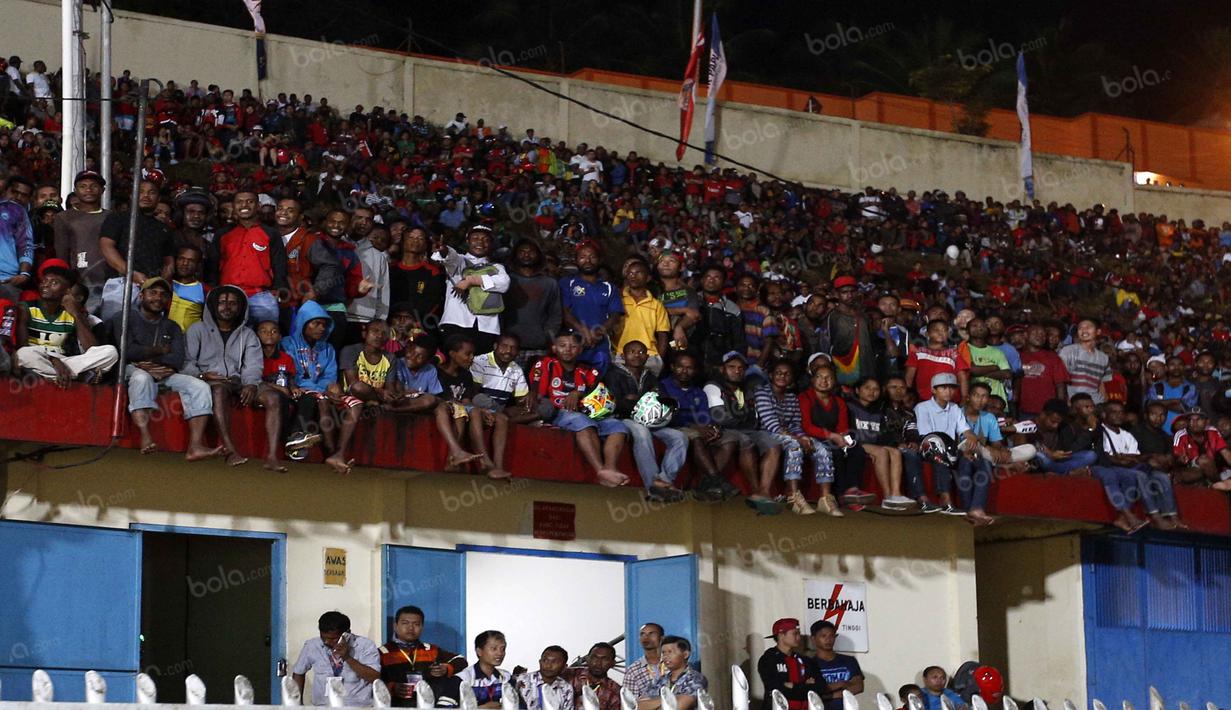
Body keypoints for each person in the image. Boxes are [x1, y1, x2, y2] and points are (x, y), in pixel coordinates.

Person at [112, 277, 221, 461]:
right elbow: (126, 351)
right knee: (141, 378)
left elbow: (176, 359)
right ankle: (145, 436)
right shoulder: (124, 318)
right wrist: (157, 354)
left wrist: (151, 361)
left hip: (163, 372)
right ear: (141, 295)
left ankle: (195, 446)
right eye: (153, 293)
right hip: (130, 369)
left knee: (199, 386)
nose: (158, 298)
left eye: (163, 295)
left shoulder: (172, 326)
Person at [528, 330, 630, 487]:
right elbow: (539, 396)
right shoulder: (546, 364)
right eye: (562, 345)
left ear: (580, 350)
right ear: (554, 348)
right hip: (559, 412)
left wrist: (578, 392)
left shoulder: (587, 370)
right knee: (582, 421)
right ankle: (600, 470)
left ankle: (610, 468)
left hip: (589, 412)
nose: (568, 349)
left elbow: (599, 395)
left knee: (618, 426)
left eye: (573, 346)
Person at [182, 285, 264, 467]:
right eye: (222, 302)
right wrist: (202, 375)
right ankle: (230, 450)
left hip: (238, 381)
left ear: (240, 307)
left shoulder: (247, 334)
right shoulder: (197, 330)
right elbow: (186, 363)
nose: (227, 307)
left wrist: (251, 384)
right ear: (213, 305)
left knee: (273, 397)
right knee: (218, 390)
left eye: (233, 303)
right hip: (210, 381)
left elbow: (253, 364)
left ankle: (273, 455)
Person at [606, 339, 688, 501]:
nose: (637, 355)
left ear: (647, 357)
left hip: (651, 421)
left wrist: (636, 399)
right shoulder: (613, 374)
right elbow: (615, 403)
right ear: (623, 356)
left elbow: (661, 399)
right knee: (642, 432)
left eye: (641, 352)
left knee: (680, 437)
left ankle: (664, 480)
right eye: (632, 352)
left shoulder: (650, 376)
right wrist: (642, 401)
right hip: (624, 419)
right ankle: (652, 485)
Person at [14, 259, 118, 387]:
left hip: (64, 362)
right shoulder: (26, 308)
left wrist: (76, 314)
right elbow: (22, 346)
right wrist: (53, 359)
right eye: (44, 281)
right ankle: (77, 376)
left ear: (67, 291)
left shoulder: (70, 312)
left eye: (54, 283)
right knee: (23, 354)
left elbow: (92, 349)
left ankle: (57, 375)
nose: (46, 285)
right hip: (38, 358)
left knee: (110, 352)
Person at [753, 360, 838, 516]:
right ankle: (793, 496)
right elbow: (771, 424)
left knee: (821, 448)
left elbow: (795, 424)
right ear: (771, 375)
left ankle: (825, 499)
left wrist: (804, 437)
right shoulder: (762, 392)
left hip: (787, 434)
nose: (782, 376)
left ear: (792, 378)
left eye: (787, 374)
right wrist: (798, 439)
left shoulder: (792, 397)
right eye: (778, 373)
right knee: (794, 445)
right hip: (765, 433)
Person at [657, 351, 741, 501]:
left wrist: (712, 428)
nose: (684, 371)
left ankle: (704, 484)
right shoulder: (663, 387)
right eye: (680, 367)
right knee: (696, 436)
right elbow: (667, 415)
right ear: (672, 367)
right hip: (674, 426)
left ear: (695, 370)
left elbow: (705, 416)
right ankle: (717, 479)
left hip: (696, 427)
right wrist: (693, 426)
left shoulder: (698, 392)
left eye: (689, 368)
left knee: (730, 439)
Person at [705, 350, 784, 503]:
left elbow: (752, 416)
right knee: (745, 439)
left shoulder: (744, 389)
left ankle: (764, 491)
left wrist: (747, 421)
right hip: (723, 430)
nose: (737, 371)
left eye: (741, 368)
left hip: (747, 429)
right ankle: (755, 489)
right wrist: (745, 420)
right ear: (722, 369)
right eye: (731, 367)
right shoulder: (713, 386)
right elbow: (720, 417)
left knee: (773, 443)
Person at [914, 373, 993, 525]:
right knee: (943, 455)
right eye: (943, 388)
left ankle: (974, 509)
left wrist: (971, 438)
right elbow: (928, 438)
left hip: (952, 451)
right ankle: (947, 502)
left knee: (981, 462)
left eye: (951, 388)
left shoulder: (954, 408)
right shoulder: (922, 407)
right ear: (933, 390)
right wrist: (959, 450)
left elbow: (965, 430)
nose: (948, 391)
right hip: (930, 449)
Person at [1099, 400, 1182, 530]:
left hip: (1143, 468)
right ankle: (1155, 516)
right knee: (1140, 475)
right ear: (1146, 416)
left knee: (1163, 477)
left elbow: (1134, 457)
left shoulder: (1163, 436)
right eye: (1154, 414)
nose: (1158, 418)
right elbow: (1109, 457)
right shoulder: (1135, 431)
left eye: (1162, 415)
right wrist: (1148, 458)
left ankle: (1173, 517)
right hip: (1122, 468)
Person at [98, 179, 174, 320]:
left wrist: (159, 283)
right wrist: (131, 273)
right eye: (141, 192)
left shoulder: (163, 228)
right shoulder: (117, 219)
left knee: (149, 329)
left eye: (151, 192)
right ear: (132, 195)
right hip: (121, 283)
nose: (146, 196)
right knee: (115, 327)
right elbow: (107, 247)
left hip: (152, 288)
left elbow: (169, 261)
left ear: (158, 198)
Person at [799, 363, 868, 514]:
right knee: (835, 453)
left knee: (856, 450)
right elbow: (807, 426)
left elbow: (843, 428)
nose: (824, 381)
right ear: (813, 380)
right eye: (819, 377)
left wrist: (844, 439)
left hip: (834, 438)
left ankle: (852, 490)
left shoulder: (839, 401)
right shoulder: (805, 398)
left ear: (834, 381)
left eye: (828, 377)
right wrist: (832, 436)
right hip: (814, 439)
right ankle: (839, 495)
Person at [433, 225, 508, 354]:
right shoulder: (459, 261)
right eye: (475, 238)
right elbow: (449, 256)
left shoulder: (497, 267)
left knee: (480, 364)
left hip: (487, 326)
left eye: (485, 239)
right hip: (456, 322)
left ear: (491, 244)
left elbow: (504, 283)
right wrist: (444, 250)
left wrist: (471, 280)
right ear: (467, 241)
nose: (480, 242)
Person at [846, 377, 915, 509]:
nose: (871, 392)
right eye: (867, 388)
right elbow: (845, 431)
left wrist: (895, 444)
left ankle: (896, 494)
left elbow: (884, 435)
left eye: (875, 389)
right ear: (857, 390)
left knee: (895, 452)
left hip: (873, 445)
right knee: (881, 452)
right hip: (855, 444)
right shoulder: (849, 407)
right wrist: (854, 446)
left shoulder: (879, 411)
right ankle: (887, 496)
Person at [378, 605, 466, 708]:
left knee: (456, 681)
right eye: (405, 623)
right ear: (395, 626)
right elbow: (372, 682)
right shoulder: (382, 653)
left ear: (422, 627)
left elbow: (461, 660)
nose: (411, 628)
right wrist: (392, 687)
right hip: (397, 705)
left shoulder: (431, 650)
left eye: (416, 624)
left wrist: (446, 669)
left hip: (430, 704)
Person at [291, 610, 381, 707]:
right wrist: (297, 704)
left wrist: (347, 657)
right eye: (323, 637)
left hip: (356, 707)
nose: (326, 642)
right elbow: (298, 673)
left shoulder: (365, 646)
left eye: (333, 639)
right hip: (323, 706)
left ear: (347, 634)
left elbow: (374, 677)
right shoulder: (312, 645)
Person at [561, 241, 623, 374]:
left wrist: (597, 333)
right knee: (572, 380)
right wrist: (582, 330)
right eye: (582, 257)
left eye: (592, 256)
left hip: (599, 345)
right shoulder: (567, 283)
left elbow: (615, 316)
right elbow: (564, 311)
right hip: (573, 344)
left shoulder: (609, 287)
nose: (587, 260)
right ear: (576, 260)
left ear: (599, 260)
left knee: (599, 382)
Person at [53, 170, 110, 312]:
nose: (88, 190)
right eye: (83, 186)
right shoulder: (64, 217)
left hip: (110, 281)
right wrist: (67, 283)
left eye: (93, 186)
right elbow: (61, 253)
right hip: (80, 281)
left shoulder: (111, 217)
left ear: (102, 190)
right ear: (75, 190)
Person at [503, 238, 562, 370]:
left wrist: (547, 336)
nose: (526, 255)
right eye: (522, 251)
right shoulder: (506, 281)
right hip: (509, 346)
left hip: (539, 346)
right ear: (515, 255)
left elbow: (555, 314)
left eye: (531, 252)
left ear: (538, 255)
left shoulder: (550, 283)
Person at [389, 226, 446, 338]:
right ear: (403, 242)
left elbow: (434, 302)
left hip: (420, 326)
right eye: (411, 237)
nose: (415, 241)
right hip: (391, 325)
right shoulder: (390, 269)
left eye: (420, 238)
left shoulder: (432, 272)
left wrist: (416, 322)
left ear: (425, 245)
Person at [617, 258, 671, 374]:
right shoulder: (618, 300)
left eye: (638, 273)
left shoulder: (656, 305)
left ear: (648, 278)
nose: (633, 276)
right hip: (621, 354)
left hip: (649, 356)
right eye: (630, 273)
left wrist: (659, 359)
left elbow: (663, 335)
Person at [255, 319, 292, 471]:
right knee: (276, 397)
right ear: (256, 335)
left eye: (274, 331)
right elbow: (252, 378)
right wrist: (275, 387)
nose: (269, 334)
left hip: (280, 394)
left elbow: (290, 381)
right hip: (256, 390)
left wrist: (294, 388)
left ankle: (292, 440)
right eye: (263, 331)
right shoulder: (252, 354)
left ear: (280, 337)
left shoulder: (286, 358)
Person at [756, 618, 817, 710]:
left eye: (799, 633)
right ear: (781, 635)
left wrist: (792, 686)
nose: (799, 637)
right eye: (795, 634)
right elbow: (776, 688)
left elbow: (819, 686)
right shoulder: (768, 659)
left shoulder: (804, 660)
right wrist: (804, 686)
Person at [906, 319, 969, 404]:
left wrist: (964, 397)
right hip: (924, 400)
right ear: (927, 334)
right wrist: (907, 395)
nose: (941, 333)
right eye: (936, 330)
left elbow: (962, 377)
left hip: (950, 401)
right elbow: (909, 377)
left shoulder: (953, 353)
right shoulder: (917, 352)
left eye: (944, 330)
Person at [827, 275, 874, 386]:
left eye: (852, 291)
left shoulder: (863, 315)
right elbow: (827, 343)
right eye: (844, 292)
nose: (849, 295)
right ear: (836, 294)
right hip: (843, 367)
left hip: (866, 366)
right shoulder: (833, 316)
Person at [636, 636, 706, 710]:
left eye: (670, 652)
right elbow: (639, 706)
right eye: (663, 653)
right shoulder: (659, 681)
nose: (666, 656)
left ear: (685, 654)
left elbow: (680, 706)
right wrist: (670, 700)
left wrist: (653, 703)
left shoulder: (695, 679)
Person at [807, 621, 864, 710]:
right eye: (823, 636)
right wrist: (841, 684)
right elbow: (811, 691)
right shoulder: (809, 664)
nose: (828, 640)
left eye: (831, 636)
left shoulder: (849, 661)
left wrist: (830, 694)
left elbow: (858, 686)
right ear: (813, 639)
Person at [1017, 323, 1068, 419]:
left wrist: (1060, 409)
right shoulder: (1017, 356)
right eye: (1035, 333)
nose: (1039, 336)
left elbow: (1060, 385)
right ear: (1026, 335)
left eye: (1043, 335)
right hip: (1023, 410)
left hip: (1047, 412)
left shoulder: (1053, 358)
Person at [1059, 318, 1111, 404]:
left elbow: (1102, 385)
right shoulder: (1067, 351)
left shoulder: (1104, 358)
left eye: (1088, 327)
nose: (1084, 330)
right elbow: (1061, 380)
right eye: (1080, 328)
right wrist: (1067, 403)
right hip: (1074, 403)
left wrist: (1103, 404)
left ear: (1098, 332)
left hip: (1095, 404)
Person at [457, 630, 512, 708]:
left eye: (503, 649)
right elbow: (443, 708)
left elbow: (517, 705)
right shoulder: (462, 679)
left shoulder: (506, 677)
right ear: (479, 651)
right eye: (494, 649)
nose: (500, 653)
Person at [560, 643, 621, 710]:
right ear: (587, 659)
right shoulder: (568, 675)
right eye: (594, 658)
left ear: (613, 663)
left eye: (604, 659)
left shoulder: (616, 691)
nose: (598, 663)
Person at [516, 646, 575, 710]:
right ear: (540, 662)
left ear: (564, 667)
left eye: (554, 662)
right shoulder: (523, 680)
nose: (548, 665)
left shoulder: (566, 688)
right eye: (545, 660)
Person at [168, 245, 207, 333]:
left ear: (198, 265)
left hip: (190, 338)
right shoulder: (165, 284)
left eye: (191, 261)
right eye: (181, 259)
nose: (185, 263)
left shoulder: (204, 290)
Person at [623, 623, 667, 700]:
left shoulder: (672, 663)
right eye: (642, 634)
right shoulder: (633, 671)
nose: (646, 638)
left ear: (662, 638)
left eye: (651, 634)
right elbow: (630, 702)